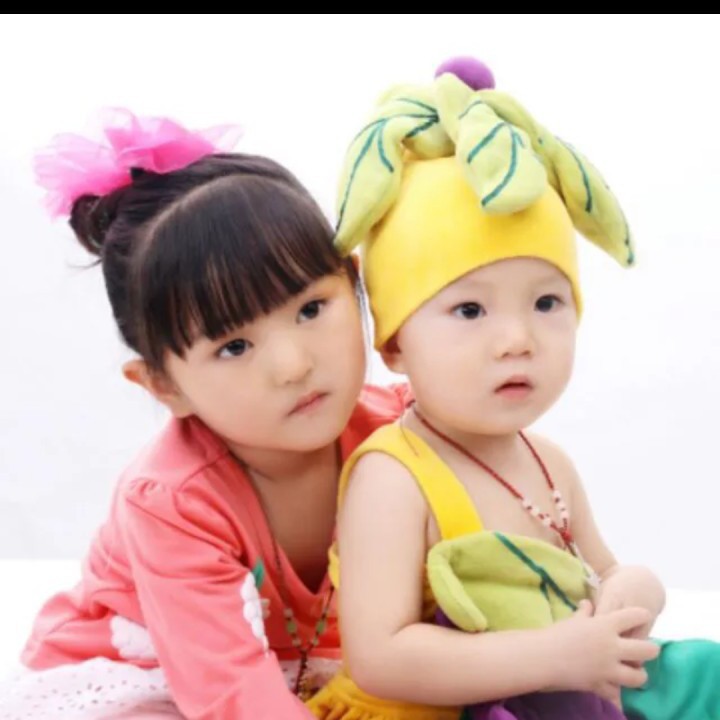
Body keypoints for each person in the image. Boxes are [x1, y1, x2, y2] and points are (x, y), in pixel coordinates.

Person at [0, 108, 410, 720]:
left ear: (355, 286)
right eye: (234, 346)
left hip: (309, 674)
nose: (293, 365)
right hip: (158, 674)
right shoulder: (172, 501)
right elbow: (229, 695)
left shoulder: (406, 431)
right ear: (164, 385)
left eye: (310, 309)